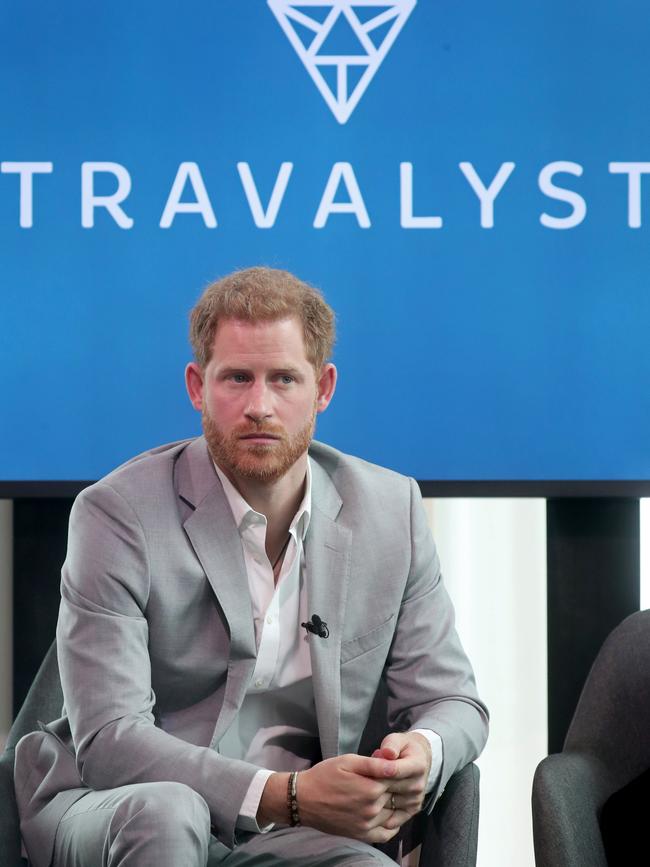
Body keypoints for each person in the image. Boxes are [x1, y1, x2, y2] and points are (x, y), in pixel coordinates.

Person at [15, 267, 488, 867]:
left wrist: (419, 750)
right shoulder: (117, 514)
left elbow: (456, 703)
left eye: (283, 379)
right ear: (197, 386)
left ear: (323, 388)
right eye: (237, 377)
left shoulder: (391, 512)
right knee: (170, 813)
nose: (259, 406)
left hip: (292, 836)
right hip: (114, 806)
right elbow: (110, 742)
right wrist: (286, 796)